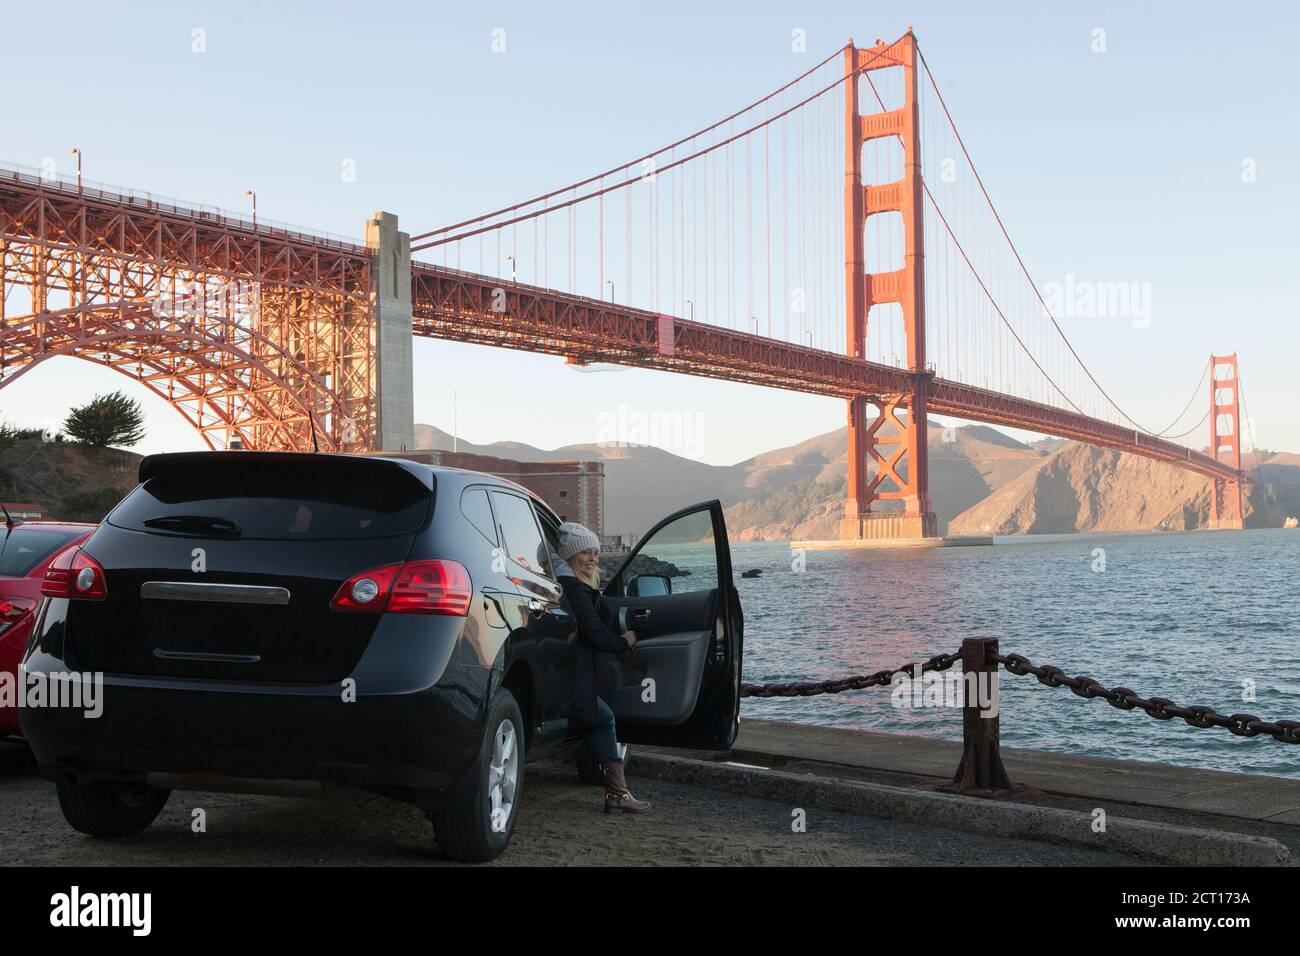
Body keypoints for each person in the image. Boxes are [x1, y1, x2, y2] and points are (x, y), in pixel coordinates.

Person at [554, 522, 651, 814]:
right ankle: (617, 795)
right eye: (585, 552)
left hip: (568, 675)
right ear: (570, 555)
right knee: (604, 718)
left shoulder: (578, 586)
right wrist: (624, 642)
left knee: (601, 719)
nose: (593, 558)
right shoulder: (573, 588)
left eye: (595, 552)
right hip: (571, 679)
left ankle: (616, 794)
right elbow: (594, 633)